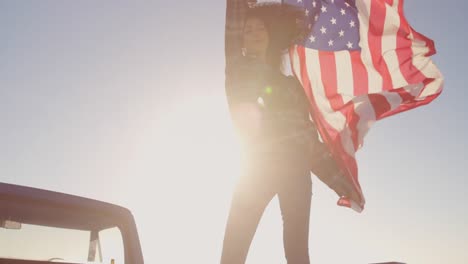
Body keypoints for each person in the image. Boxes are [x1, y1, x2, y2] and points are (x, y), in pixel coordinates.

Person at [220, 3, 323, 264]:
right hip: (257, 166)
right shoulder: (237, 66)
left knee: (297, 252)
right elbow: (233, 25)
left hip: (295, 169)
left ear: (271, 34)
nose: (253, 33)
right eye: (247, 30)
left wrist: (343, 183)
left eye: (259, 28)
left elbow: (309, 139)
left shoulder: (291, 85)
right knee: (234, 249)